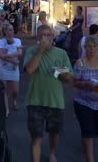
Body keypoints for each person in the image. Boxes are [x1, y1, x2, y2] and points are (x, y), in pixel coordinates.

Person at [24, 25, 73, 162]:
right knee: (36, 137)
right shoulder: (32, 50)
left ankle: (52, 153)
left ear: (53, 37)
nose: (47, 38)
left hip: (56, 101)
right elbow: (29, 70)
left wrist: (60, 72)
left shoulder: (61, 53)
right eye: (43, 35)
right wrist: (40, 51)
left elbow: (69, 78)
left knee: (54, 133)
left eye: (49, 35)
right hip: (35, 101)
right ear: (38, 38)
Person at [0, 23, 22, 116]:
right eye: (9, 30)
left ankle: (14, 100)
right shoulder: (1, 41)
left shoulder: (17, 41)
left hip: (13, 69)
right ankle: (6, 108)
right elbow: (1, 56)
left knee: (15, 91)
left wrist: (7, 56)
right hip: (4, 68)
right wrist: (13, 60)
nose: (11, 32)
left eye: (12, 29)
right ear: (5, 31)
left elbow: (19, 53)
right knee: (4, 90)